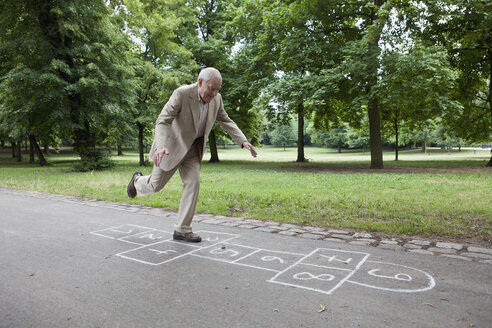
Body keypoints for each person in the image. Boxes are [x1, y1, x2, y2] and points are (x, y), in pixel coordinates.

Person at [126, 67, 257, 242]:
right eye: (212, 87)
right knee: (155, 185)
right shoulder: (182, 94)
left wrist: (243, 141)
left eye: (218, 89)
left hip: (194, 150)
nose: (215, 93)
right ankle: (136, 182)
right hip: (170, 147)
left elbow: (225, 119)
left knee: (193, 183)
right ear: (200, 82)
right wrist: (160, 146)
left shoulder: (217, 99)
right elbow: (163, 120)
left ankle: (182, 229)